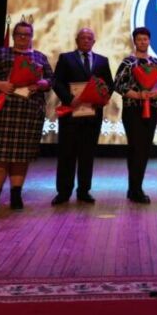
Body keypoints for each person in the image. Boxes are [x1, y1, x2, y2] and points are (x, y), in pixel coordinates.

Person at [0, 21, 54, 211]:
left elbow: (50, 80)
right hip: (2, 112)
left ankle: (16, 195)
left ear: (32, 37)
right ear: (13, 36)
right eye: (19, 34)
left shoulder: (39, 57)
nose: (23, 37)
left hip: (28, 113)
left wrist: (42, 84)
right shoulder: (0, 54)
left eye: (27, 34)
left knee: (21, 157)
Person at [51, 27, 113, 206]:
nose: (86, 40)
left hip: (92, 115)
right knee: (67, 154)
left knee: (87, 155)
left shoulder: (102, 61)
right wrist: (70, 99)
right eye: (83, 37)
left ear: (94, 41)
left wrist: (102, 98)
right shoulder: (66, 58)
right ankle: (63, 192)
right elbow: (57, 82)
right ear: (77, 40)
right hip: (71, 114)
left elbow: (109, 84)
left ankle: (84, 191)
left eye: (89, 38)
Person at [113, 27, 157, 204]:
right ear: (134, 41)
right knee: (136, 148)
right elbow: (118, 85)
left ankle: (135, 188)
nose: (142, 42)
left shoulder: (156, 63)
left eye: (145, 39)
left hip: (152, 109)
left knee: (144, 149)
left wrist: (156, 92)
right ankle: (135, 189)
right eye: (139, 39)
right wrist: (138, 95)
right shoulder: (128, 63)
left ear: (149, 41)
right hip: (133, 110)